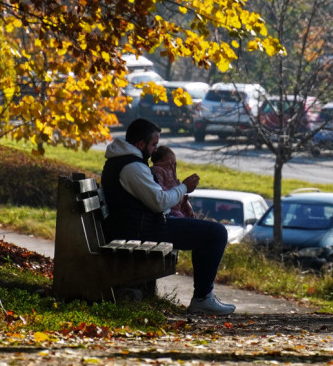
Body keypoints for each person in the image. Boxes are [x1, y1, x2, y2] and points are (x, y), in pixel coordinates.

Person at [101, 118, 235, 315]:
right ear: (140, 144)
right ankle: (202, 298)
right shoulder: (132, 167)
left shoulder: (127, 162)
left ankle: (204, 296)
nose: (155, 150)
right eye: (153, 145)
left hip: (139, 225)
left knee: (206, 231)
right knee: (216, 233)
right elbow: (159, 201)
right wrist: (183, 188)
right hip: (140, 230)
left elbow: (156, 200)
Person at [150, 145, 196, 218]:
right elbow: (163, 192)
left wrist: (186, 203)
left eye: (174, 164)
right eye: (170, 163)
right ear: (160, 161)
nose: (173, 167)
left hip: (178, 208)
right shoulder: (157, 171)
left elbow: (179, 192)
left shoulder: (172, 175)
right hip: (169, 211)